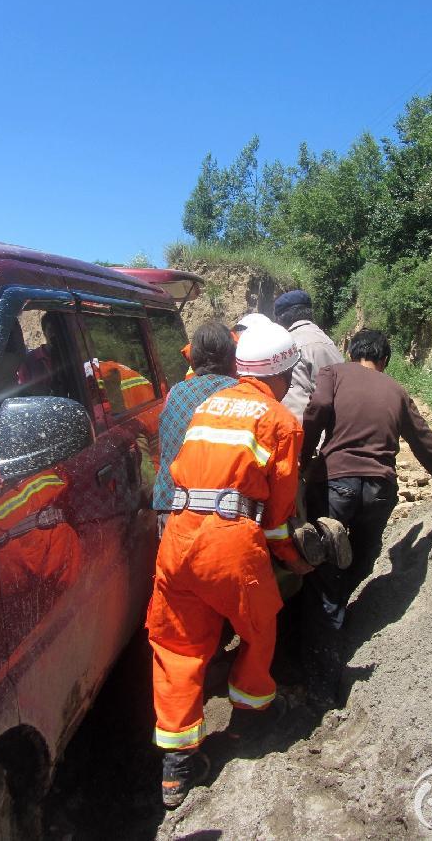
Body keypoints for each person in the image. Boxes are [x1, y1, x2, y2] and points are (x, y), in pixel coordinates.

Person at [146, 322, 313, 809]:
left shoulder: (204, 404)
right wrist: (292, 558)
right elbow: (279, 517)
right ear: (282, 371)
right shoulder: (279, 419)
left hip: (177, 538)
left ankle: (175, 767)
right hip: (229, 544)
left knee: (176, 646)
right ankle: (249, 719)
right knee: (259, 627)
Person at [299, 328, 432, 707]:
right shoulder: (397, 391)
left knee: (322, 566)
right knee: (365, 557)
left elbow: (315, 410)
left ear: (352, 352)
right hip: (379, 490)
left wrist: (302, 461)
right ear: (385, 360)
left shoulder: (334, 374)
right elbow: (427, 444)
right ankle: (340, 606)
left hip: (335, 483)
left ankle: (323, 641)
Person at [152, 321, 238, 534]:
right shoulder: (242, 393)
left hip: (172, 508)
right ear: (233, 358)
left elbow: (164, 449)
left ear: (193, 358)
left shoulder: (175, 393)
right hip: (223, 513)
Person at [273, 290, 343, 423]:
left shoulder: (288, 347)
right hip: (336, 430)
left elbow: (294, 404)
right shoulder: (328, 342)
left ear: (280, 319)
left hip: (308, 435)